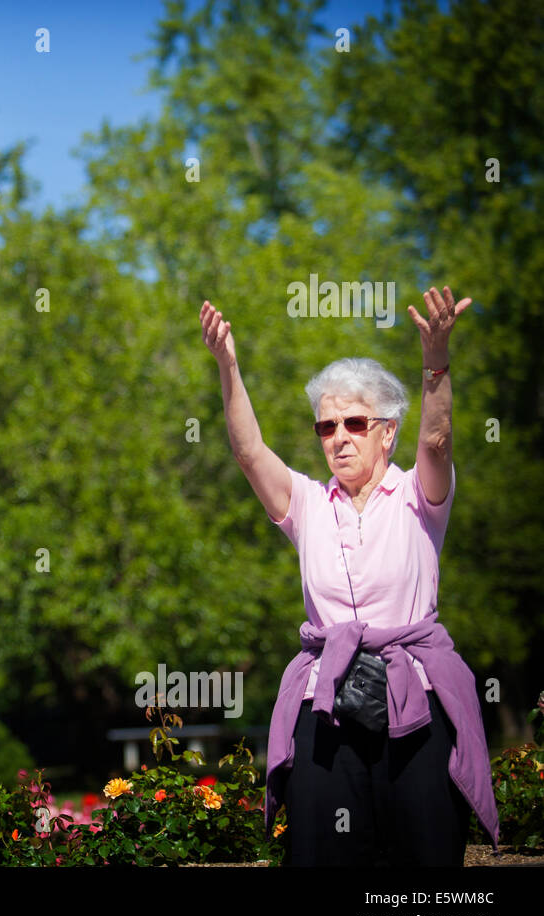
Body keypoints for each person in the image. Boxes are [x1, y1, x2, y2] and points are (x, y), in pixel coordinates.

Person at [199, 287, 497, 865]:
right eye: (325, 426)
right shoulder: (308, 503)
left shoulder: (417, 493)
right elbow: (248, 452)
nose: (338, 436)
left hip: (417, 697)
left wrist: (435, 362)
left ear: (387, 431)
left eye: (355, 423)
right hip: (328, 696)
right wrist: (228, 365)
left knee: (427, 863)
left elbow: (436, 437)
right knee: (320, 851)